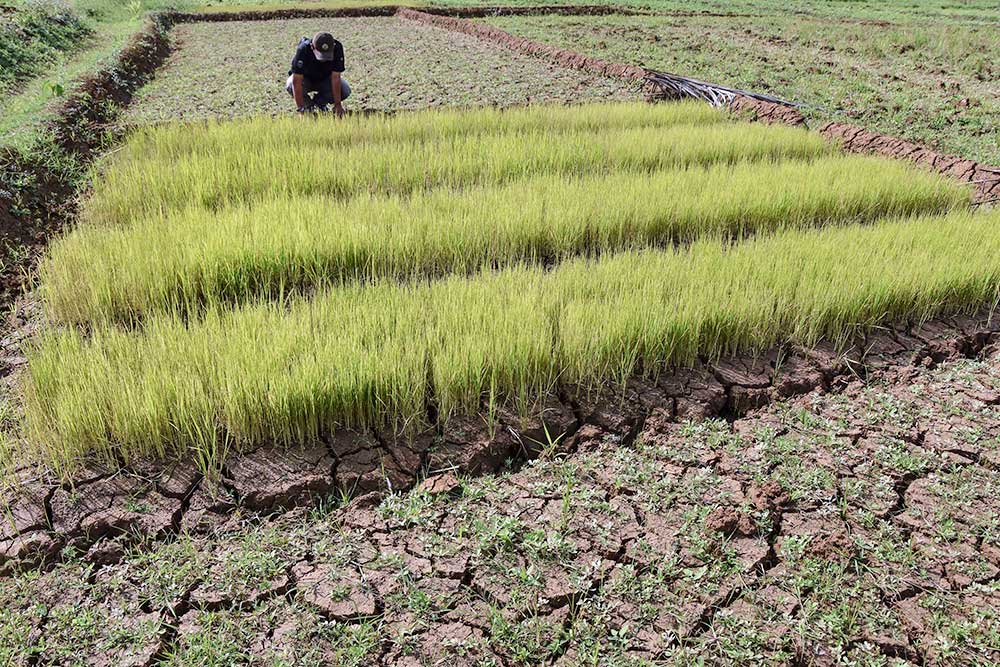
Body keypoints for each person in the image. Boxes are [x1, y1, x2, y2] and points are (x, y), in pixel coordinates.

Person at [285, 31, 351, 116]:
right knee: (290, 84)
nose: (324, 59)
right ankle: (307, 106)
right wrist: (300, 110)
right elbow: (296, 80)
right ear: (312, 47)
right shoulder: (303, 49)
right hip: (305, 80)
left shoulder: (337, 48)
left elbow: (336, 77)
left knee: (345, 90)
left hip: (325, 80)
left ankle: (321, 102)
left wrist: (338, 105)